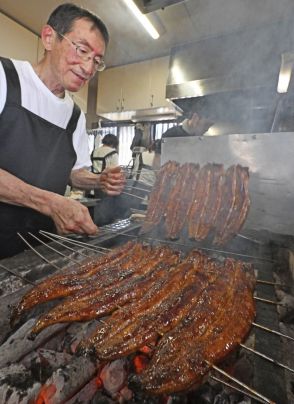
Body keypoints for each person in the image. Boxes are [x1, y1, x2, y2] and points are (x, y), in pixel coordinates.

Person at [0, 3, 125, 259]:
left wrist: (97, 180)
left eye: (97, 61)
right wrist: (49, 202)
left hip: (36, 249)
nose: (89, 68)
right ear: (49, 38)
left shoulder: (75, 114)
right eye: (82, 50)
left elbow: (73, 172)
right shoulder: (5, 78)